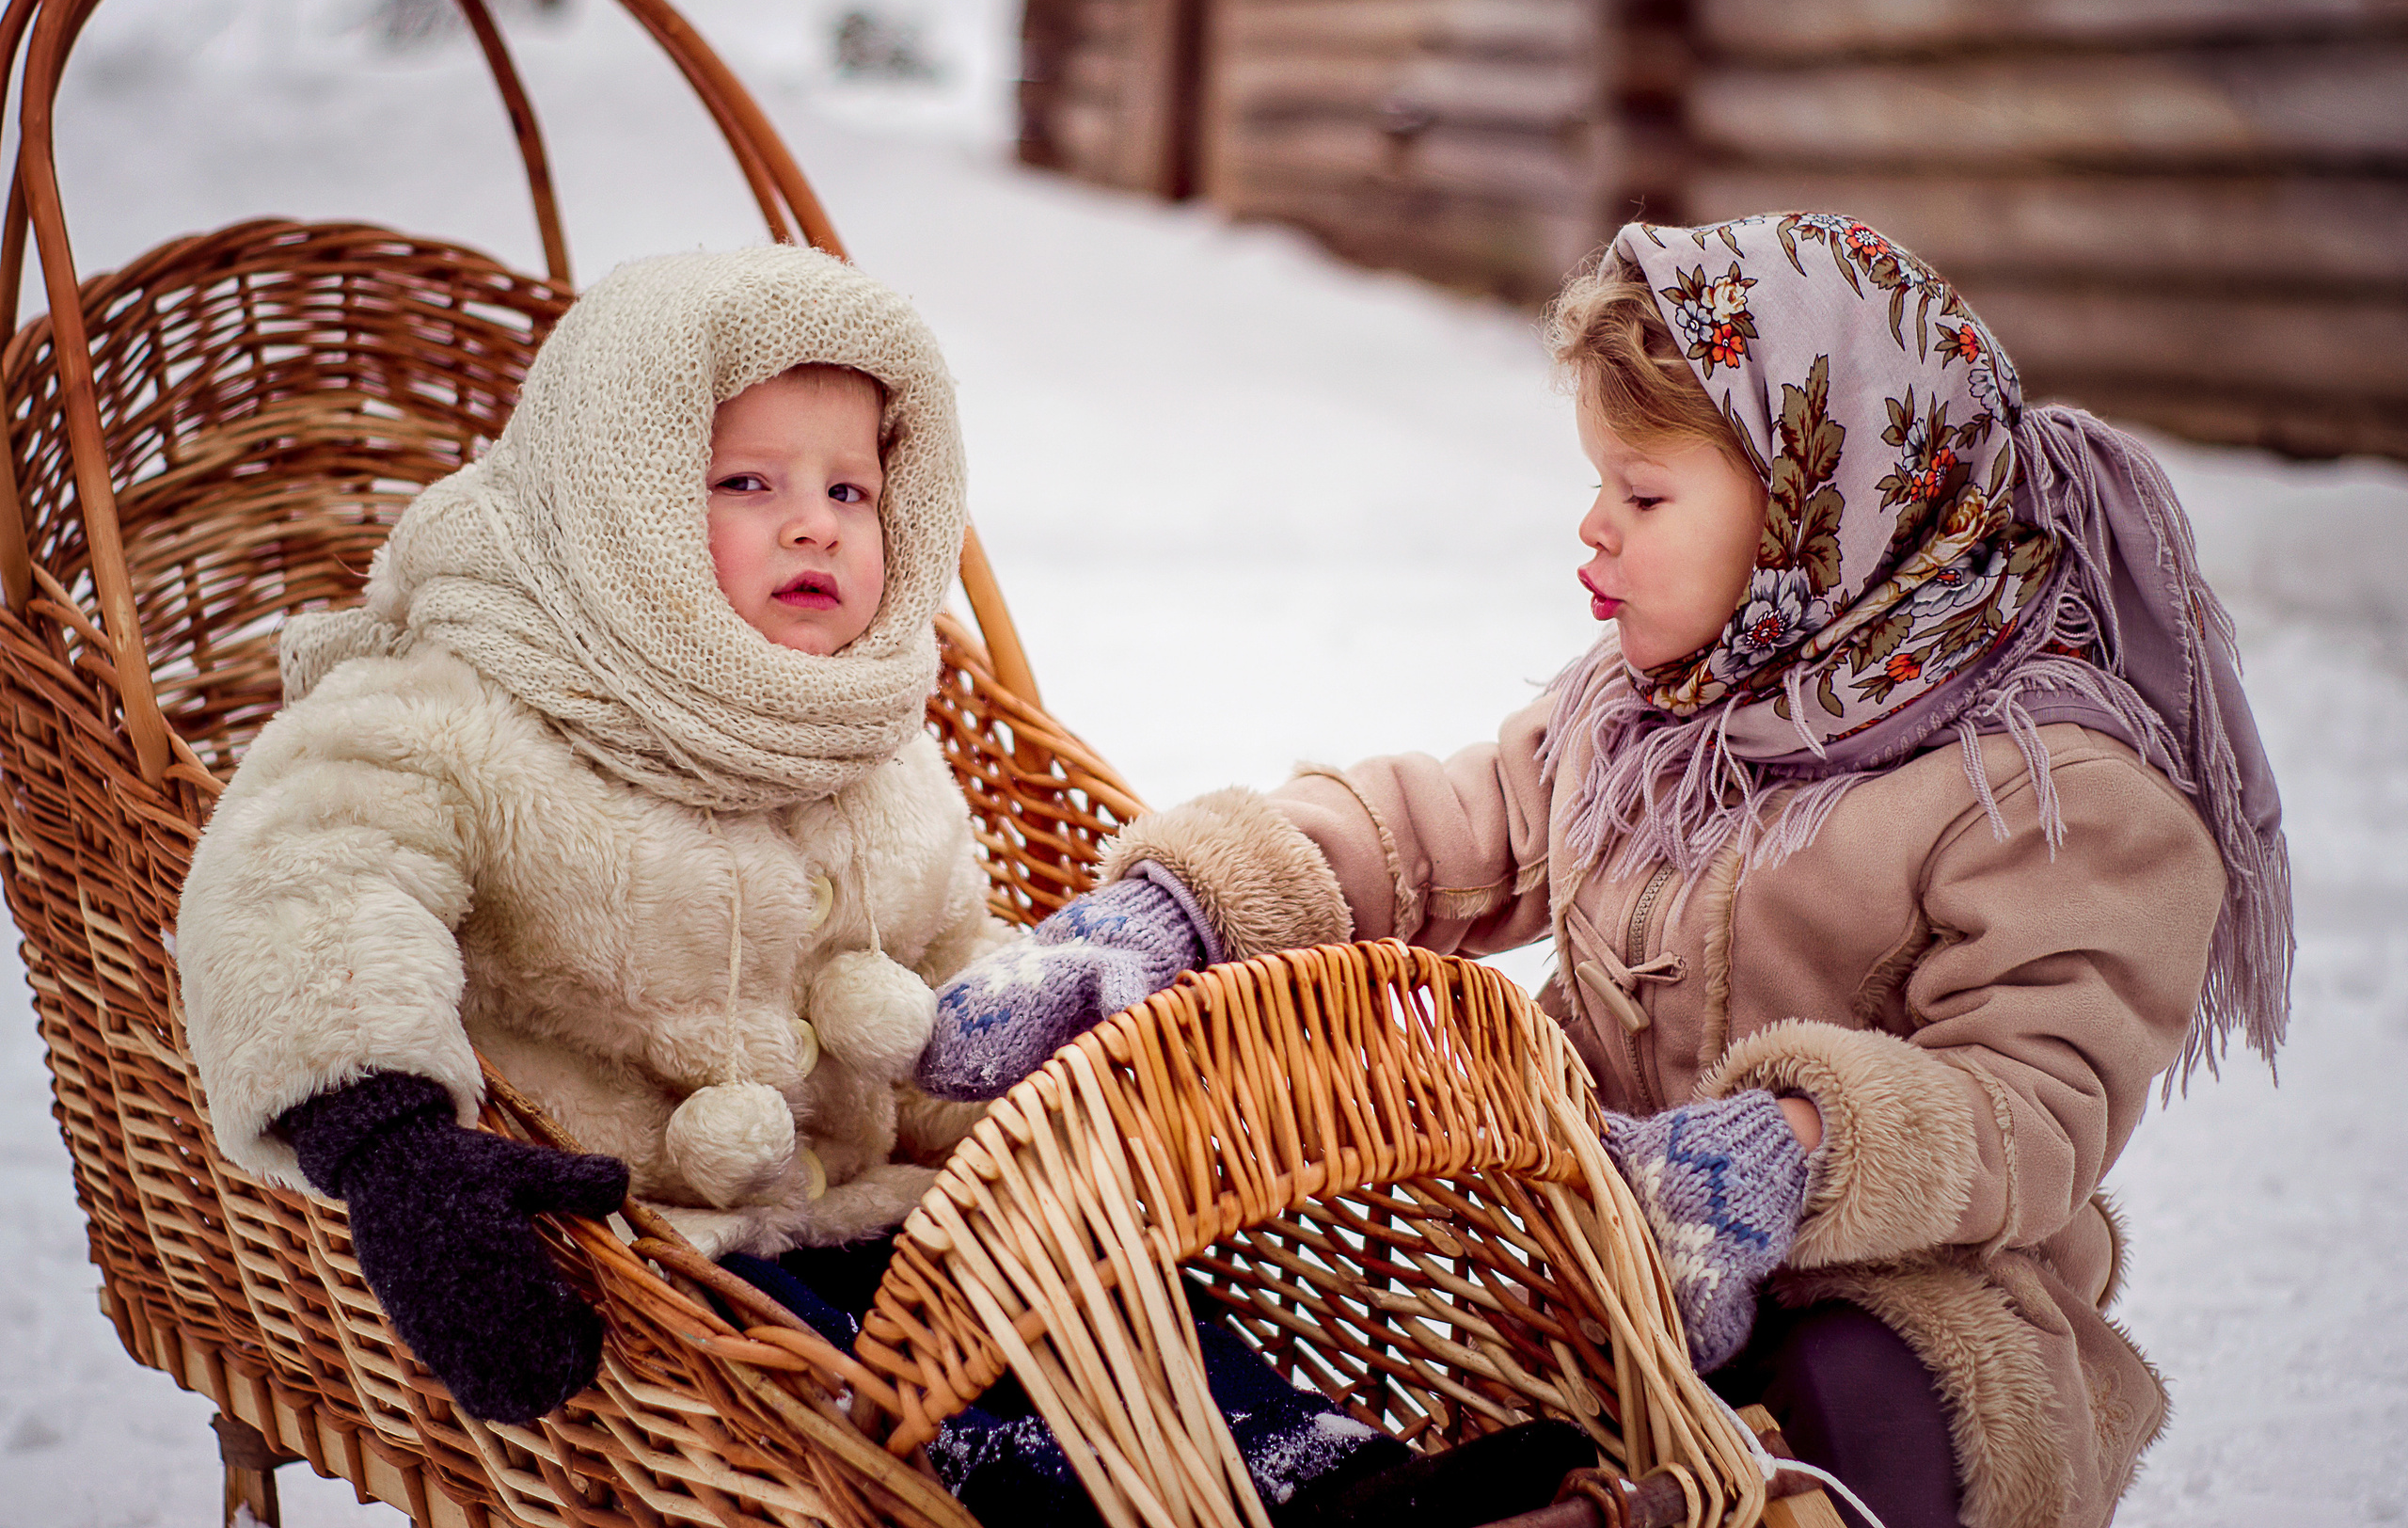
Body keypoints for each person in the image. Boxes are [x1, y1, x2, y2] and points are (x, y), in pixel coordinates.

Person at [176, 245, 1591, 1528]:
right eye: (749, 484)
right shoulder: (457, 707)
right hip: (655, 1250)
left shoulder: (872, 738)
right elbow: (306, 874)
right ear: (620, 503)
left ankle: (1326, 1478)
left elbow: (940, 967)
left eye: (850, 490)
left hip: (879, 1202)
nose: (817, 528)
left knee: (1094, 1292)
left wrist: (1025, 1110)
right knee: (888, 1405)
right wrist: (393, 1145)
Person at [920, 214, 2294, 1528]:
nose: (1593, 526)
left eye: (1641, 492)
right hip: (1602, 1265)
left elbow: (2034, 1101)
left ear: (1827, 512)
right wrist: (1192, 901)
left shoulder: (2054, 793)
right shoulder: (1653, 713)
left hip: (1898, 1291)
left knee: (1865, 1389)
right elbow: (1444, 828)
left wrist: (1788, 1148)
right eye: (1599, 483)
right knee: (1438, 1379)